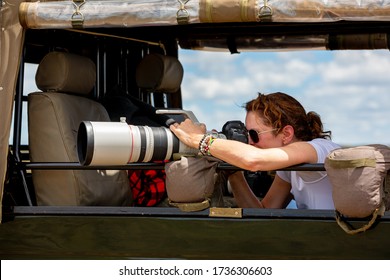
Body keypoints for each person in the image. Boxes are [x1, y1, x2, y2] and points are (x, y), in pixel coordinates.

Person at [169, 92, 341, 210]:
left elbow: (253, 160)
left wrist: (197, 139)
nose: (249, 142)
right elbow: (263, 212)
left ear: (287, 133)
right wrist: (234, 172)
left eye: (254, 134)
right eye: (247, 133)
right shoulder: (291, 165)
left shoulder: (318, 150)